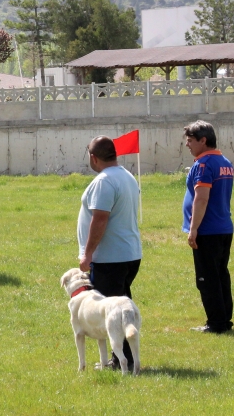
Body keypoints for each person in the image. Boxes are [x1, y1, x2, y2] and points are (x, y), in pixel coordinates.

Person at [77, 136, 142, 370]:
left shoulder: (104, 181)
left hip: (110, 256)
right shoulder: (127, 175)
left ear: (93, 157)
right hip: (129, 252)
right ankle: (128, 357)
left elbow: (100, 219)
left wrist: (87, 253)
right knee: (123, 307)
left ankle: (121, 360)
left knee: (112, 311)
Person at [182, 120, 234, 334]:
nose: (187, 145)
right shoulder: (225, 161)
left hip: (208, 230)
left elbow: (201, 199)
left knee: (207, 278)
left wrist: (194, 229)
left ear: (203, 140)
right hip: (224, 227)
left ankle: (216, 323)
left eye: (191, 140)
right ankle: (224, 318)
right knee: (221, 275)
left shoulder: (203, 165)